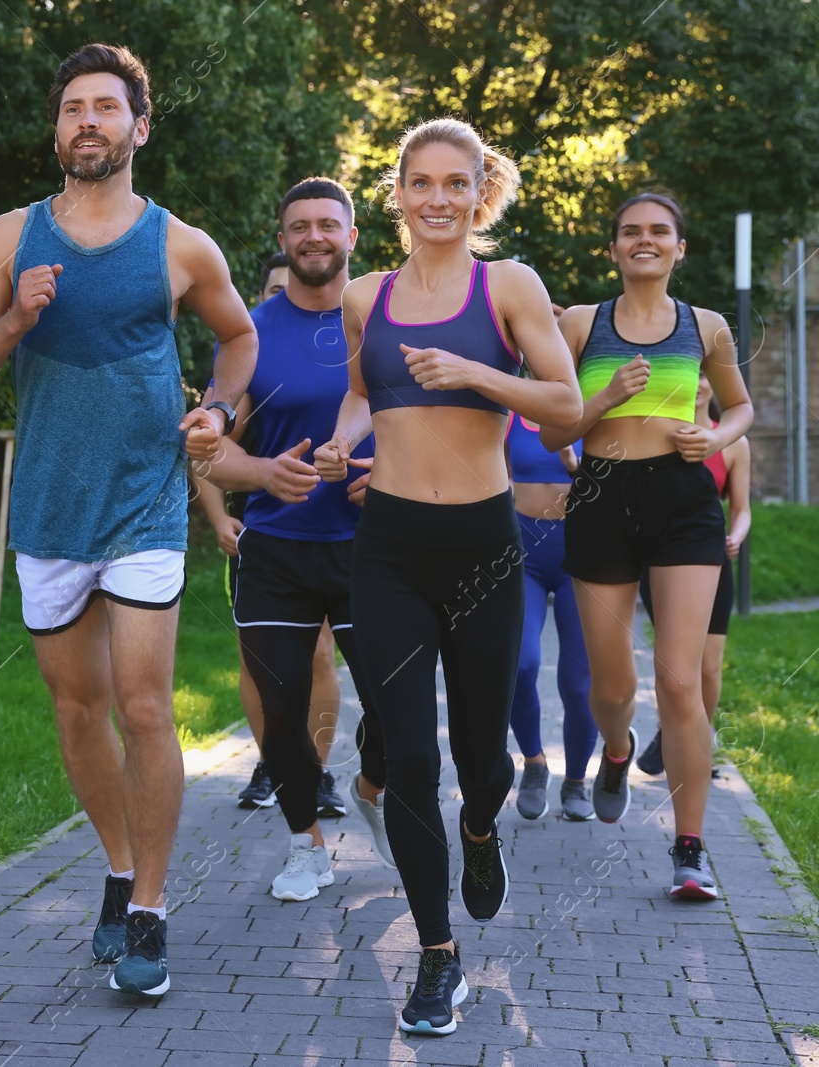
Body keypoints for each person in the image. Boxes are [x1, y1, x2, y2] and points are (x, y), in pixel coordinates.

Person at [0, 43, 258, 997]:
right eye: (73, 107)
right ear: (57, 128)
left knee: (145, 703)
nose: (88, 121)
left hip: (147, 499)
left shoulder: (179, 245)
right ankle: (119, 868)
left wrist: (221, 412)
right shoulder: (8, 238)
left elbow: (237, 338)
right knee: (77, 710)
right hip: (49, 505)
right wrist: (13, 323)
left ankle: (152, 911)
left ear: (138, 127)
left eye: (106, 107)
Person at [315, 118, 581, 1035]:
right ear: (396, 194)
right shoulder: (363, 295)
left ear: (481, 192)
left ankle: (481, 831)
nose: (436, 200)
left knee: (482, 759)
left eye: (454, 184)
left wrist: (477, 371)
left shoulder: (508, 286)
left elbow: (566, 408)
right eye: (419, 183)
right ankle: (438, 956)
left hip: (481, 544)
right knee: (408, 757)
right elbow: (364, 388)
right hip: (386, 542)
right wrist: (337, 444)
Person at [541, 191, 753, 902]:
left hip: (685, 504)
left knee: (679, 681)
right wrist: (604, 400)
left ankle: (690, 849)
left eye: (659, 231)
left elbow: (742, 407)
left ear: (678, 247)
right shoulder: (579, 324)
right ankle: (618, 748)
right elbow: (551, 431)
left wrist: (715, 437)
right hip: (601, 496)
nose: (645, 240)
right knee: (613, 687)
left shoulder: (708, 326)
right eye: (631, 231)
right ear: (613, 248)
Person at [198, 177, 393, 902]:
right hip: (275, 548)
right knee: (279, 709)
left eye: (327, 225)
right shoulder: (249, 331)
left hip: (372, 546)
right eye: (299, 226)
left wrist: (394, 468)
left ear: (350, 236)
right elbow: (208, 445)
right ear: (283, 240)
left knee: (395, 704)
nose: (314, 236)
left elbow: (429, 424)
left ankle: (371, 790)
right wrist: (257, 474)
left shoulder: (383, 320)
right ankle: (305, 842)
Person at [194, 250, 346, 816]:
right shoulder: (249, 343)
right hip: (267, 533)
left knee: (323, 656)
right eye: (277, 288)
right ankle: (277, 763)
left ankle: (320, 771)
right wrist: (218, 517)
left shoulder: (355, 329)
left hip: (347, 532)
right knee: (260, 665)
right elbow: (207, 448)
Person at [635, 371, 753, 776]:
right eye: (692, 373)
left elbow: (742, 508)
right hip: (663, 559)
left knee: (707, 666)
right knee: (675, 663)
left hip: (713, 559)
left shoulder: (734, 443)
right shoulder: (661, 435)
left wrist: (736, 536)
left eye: (706, 375)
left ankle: (693, 740)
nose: (700, 382)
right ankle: (674, 732)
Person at [505, 413, 600, 821]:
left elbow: (610, 487)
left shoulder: (595, 407)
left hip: (579, 552)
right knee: (520, 665)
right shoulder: (508, 412)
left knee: (579, 684)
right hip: (522, 552)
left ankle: (577, 780)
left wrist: (572, 462)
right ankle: (534, 762)